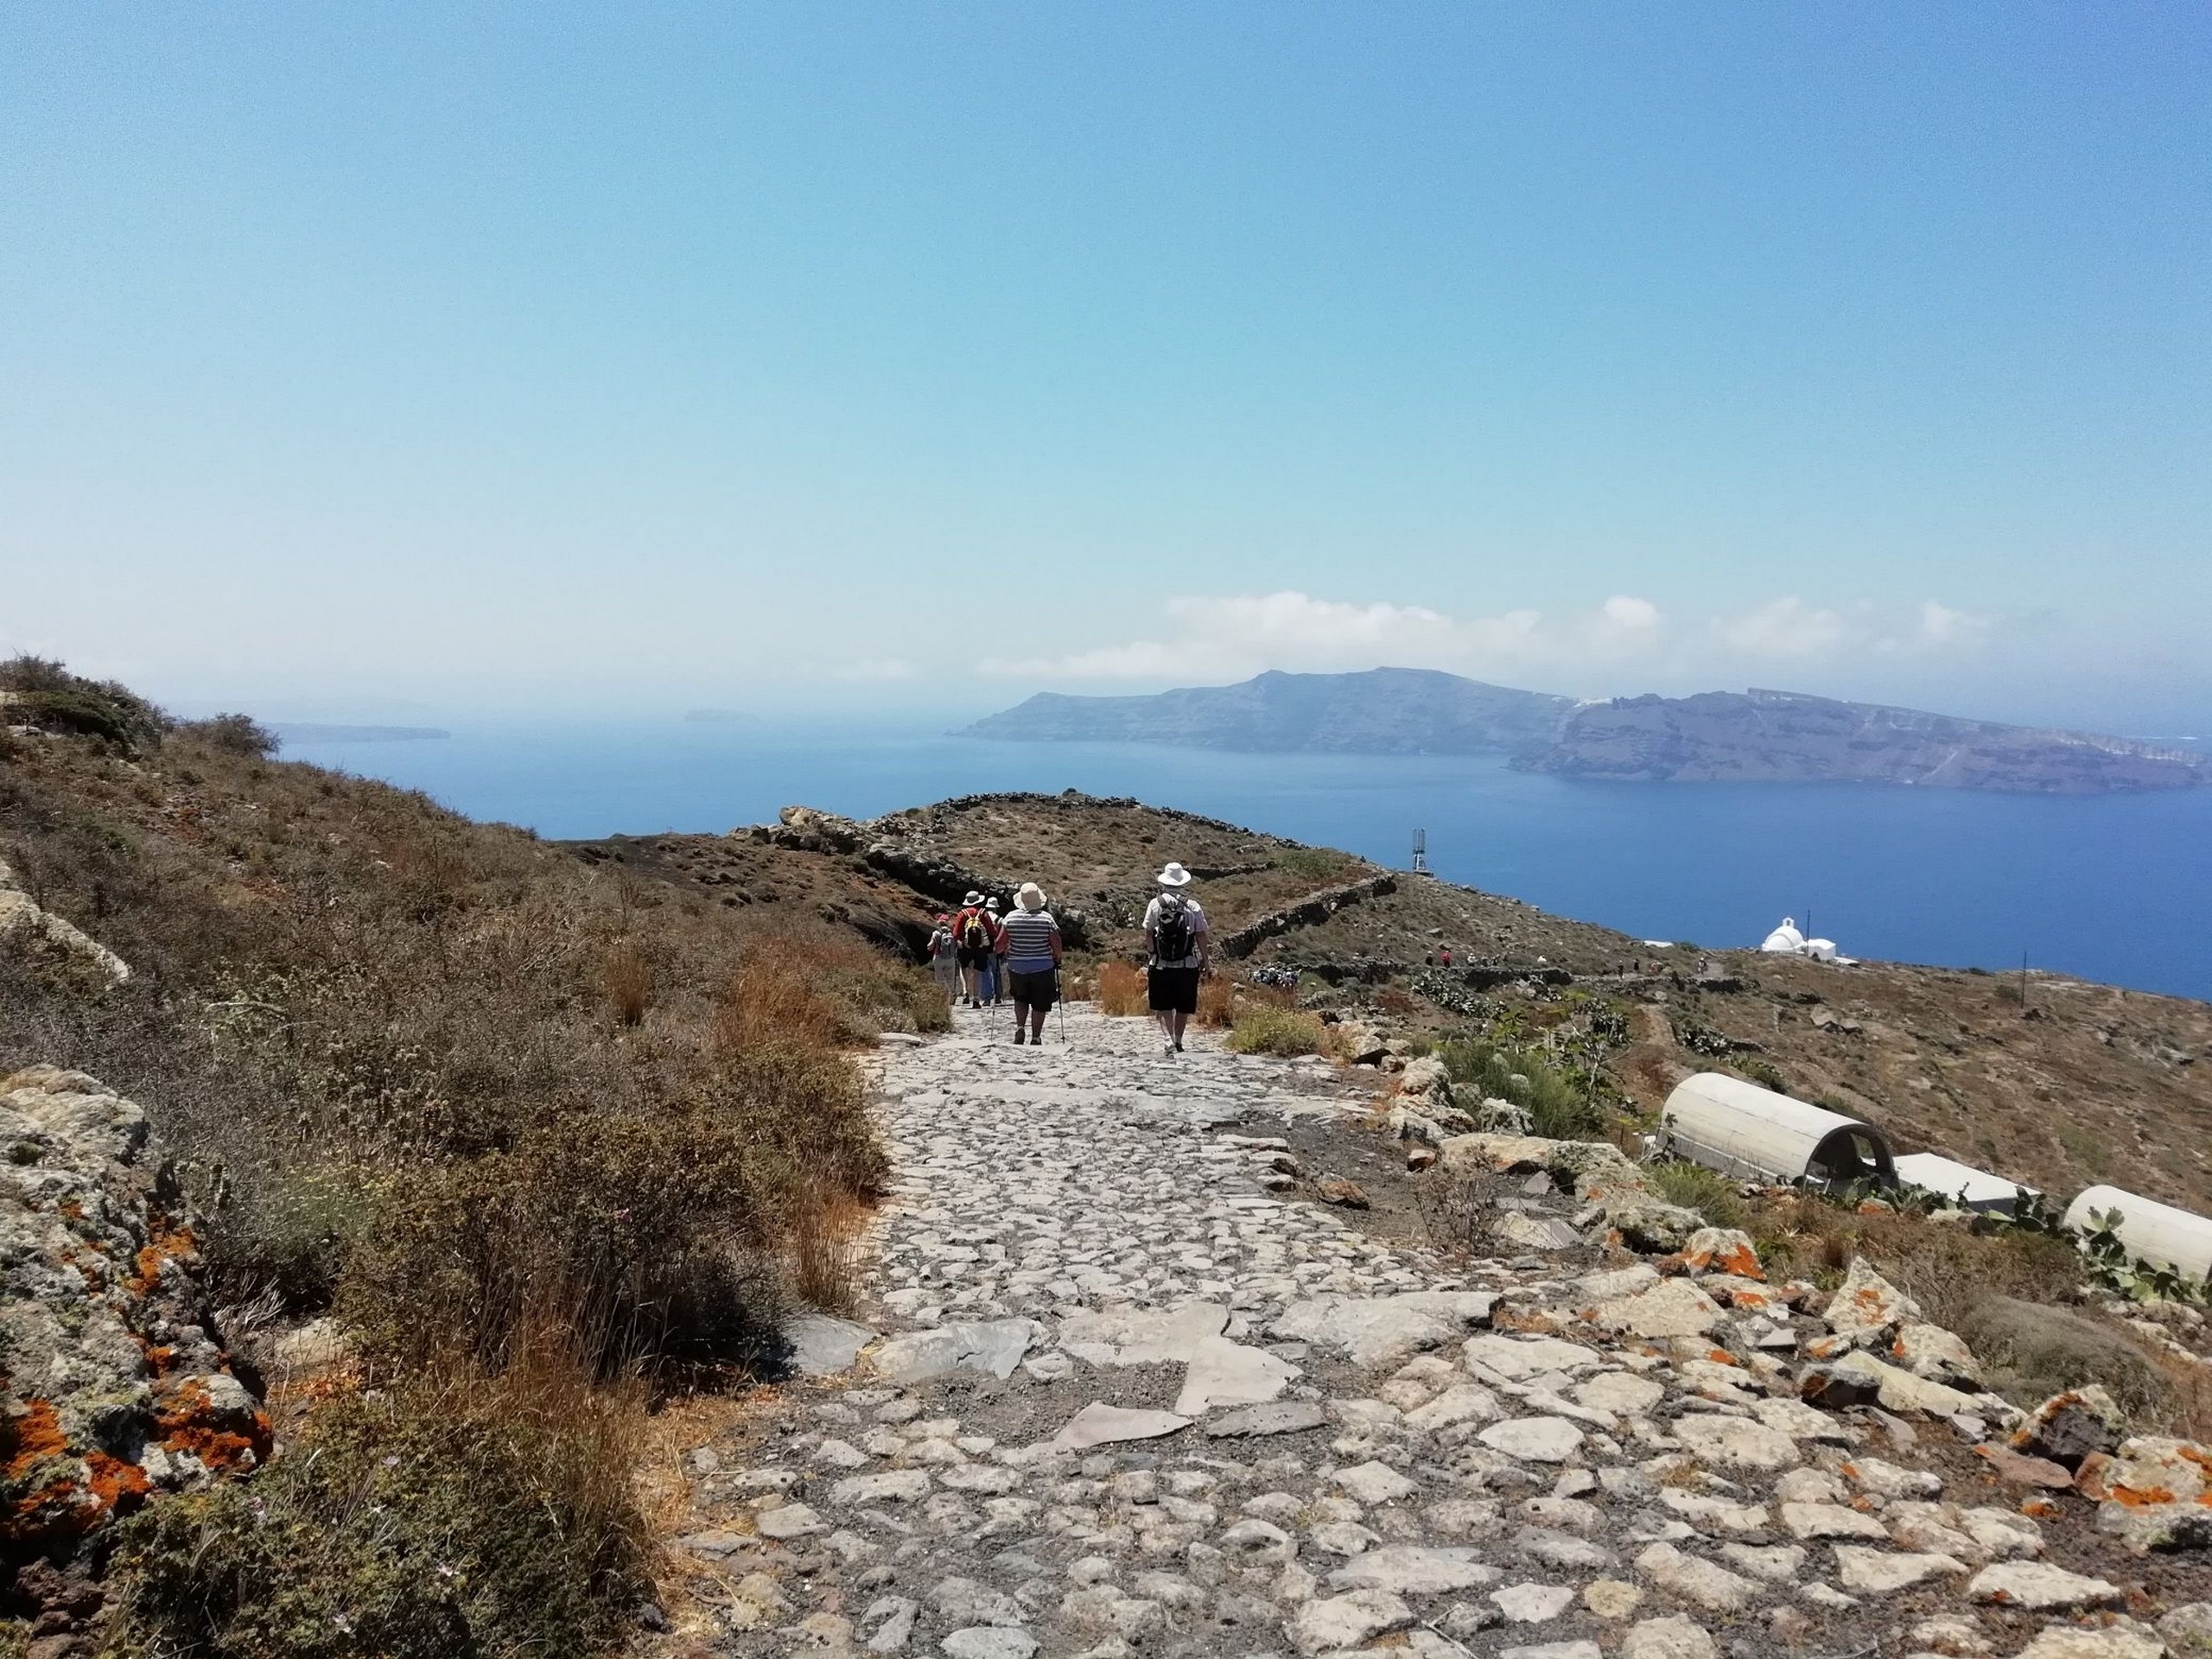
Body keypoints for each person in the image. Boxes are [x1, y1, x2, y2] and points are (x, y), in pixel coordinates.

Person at [1142, 861, 1210, 1058]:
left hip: (1160, 963)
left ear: (1164, 882)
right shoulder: (1192, 905)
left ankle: (1167, 1039)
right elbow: (1201, 935)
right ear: (1182, 882)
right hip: (1187, 963)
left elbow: (1148, 932)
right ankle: (1179, 1041)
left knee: (1163, 1005)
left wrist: (1152, 952)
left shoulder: (1155, 904)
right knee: (1183, 1004)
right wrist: (1206, 961)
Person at [1000, 882, 1063, 1044]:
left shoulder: (1010, 917)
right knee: (1040, 1003)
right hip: (1042, 966)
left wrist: (1001, 952)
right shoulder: (1046, 918)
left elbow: (1000, 943)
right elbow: (1056, 943)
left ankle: (1020, 1029)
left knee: (1020, 999)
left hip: (1017, 966)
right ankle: (1036, 1037)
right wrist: (1057, 958)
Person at [951, 890, 995, 1007]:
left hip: (965, 946)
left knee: (963, 967)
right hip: (980, 947)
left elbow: (955, 933)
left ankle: (966, 991)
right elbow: (992, 931)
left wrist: (960, 942)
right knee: (978, 972)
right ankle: (976, 999)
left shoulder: (962, 913)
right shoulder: (983, 913)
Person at [981, 897, 1008, 1005]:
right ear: (996, 908)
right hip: (995, 949)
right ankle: (998, 996)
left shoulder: (981, 917)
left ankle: (987, 997)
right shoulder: (1000, 920)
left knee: (985, 972)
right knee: (996, 972)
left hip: (982, 948)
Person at [926, 913, 960, 1001]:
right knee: (950, 979)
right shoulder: (953, 933)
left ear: (940, 923)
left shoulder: (936, 933)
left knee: (940, 979)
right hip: (951, 959)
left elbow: (930, 946)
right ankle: (952, 995)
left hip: (938, 958)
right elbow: (959, 945)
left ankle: (941, 998)